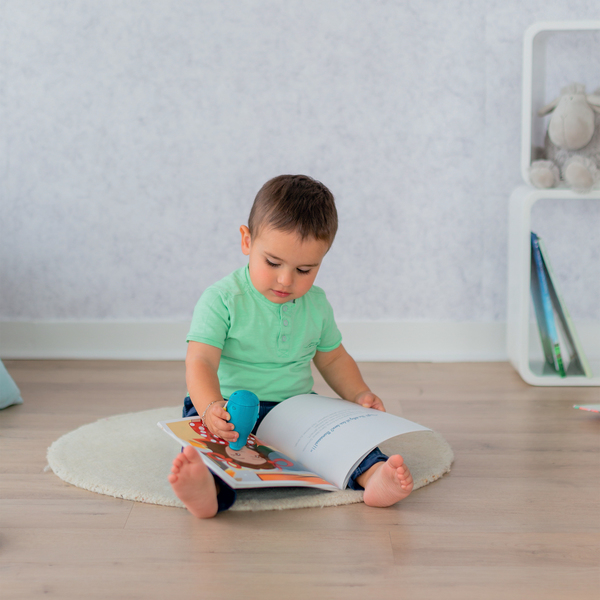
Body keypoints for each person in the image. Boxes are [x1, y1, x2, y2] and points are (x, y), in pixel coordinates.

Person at [169, 174, 413, 518]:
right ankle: (208, 490)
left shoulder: (316, 304)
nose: (286, 280)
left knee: (341, 438)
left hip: (296, 412)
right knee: (213, 448)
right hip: (228, 411)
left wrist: (359, 395)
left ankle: (374, 475)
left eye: (304, 269)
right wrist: (210, 408)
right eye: (273, 263)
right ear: (246, 240)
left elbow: (333, 359)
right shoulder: (222, 299)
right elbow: (201, 362)